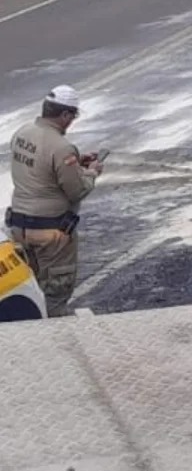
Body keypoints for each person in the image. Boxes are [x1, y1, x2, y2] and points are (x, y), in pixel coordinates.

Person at [5, 85, 104, 317]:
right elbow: (76, 190)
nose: (72, 122)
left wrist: (76, 161)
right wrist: (91, 172)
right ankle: (50, 342)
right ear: (65, 115)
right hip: (51, 236)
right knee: (55, 297)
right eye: (73, 116)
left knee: (32, 288)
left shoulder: (22, 133)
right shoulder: (61, 147)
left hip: (19, 228)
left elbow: (40, 167)